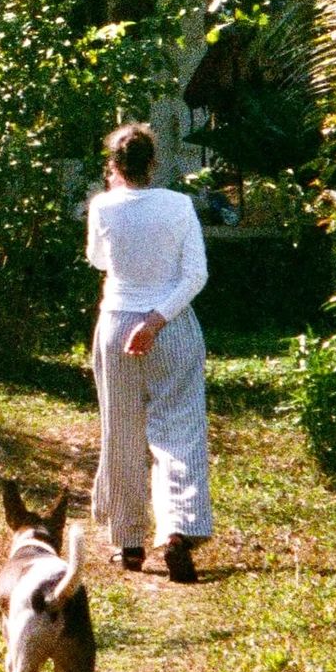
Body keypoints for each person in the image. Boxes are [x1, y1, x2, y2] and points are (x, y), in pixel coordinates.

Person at [85, 121, 212, 583]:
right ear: (153, 163)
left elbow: (99, 260)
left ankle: (129, 540)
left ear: (114, 165)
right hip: (171, 323)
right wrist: (157, 319)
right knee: (178, 428)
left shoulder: (103, 206)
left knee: (121, 430)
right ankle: (178, 530)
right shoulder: (179, 205)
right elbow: (195, 275)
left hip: (118, 321)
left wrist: (113, 195)